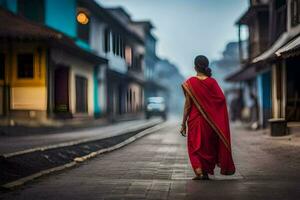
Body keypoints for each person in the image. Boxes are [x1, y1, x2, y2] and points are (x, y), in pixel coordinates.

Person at [180, 55, 235, 180]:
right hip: (210, 123)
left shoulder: (190, 83)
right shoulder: (212, 82)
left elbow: (188, 105)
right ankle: (204, 172)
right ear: (206, 66)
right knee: (207, 147)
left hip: (195, 121)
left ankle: (200, 171)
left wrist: (183, 123)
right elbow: (221, 99)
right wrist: (212, 112)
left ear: (195, 67)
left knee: (195, 147)